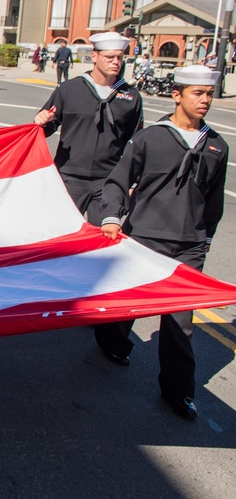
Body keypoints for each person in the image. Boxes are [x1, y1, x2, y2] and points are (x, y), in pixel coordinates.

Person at [99, 65, 227, 420]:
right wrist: (112, 216)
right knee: (128, 304)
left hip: (189, 245)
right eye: (197, 94)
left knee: (179, 324)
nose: (205, 100)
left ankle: (178, 391)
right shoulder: (149, 138)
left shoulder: (217, 145)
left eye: (208, 94)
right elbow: (117, 181)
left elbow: (214, 199)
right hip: (145, 238)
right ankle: (112, 343)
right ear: (177, 96)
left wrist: (207, 237)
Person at [33, 31, 144, 365]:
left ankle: (106, 331)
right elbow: (44, 127)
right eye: (109, 56)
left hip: (108, 181)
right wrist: (40, 124)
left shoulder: (131, 97)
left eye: (120, 57)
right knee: (53, 240)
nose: (115, 62)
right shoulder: (69, 90)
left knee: (102, 248)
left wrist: (133, 180)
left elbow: (136, 143)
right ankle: (40, 299)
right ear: (93, 56)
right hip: (68, 175)